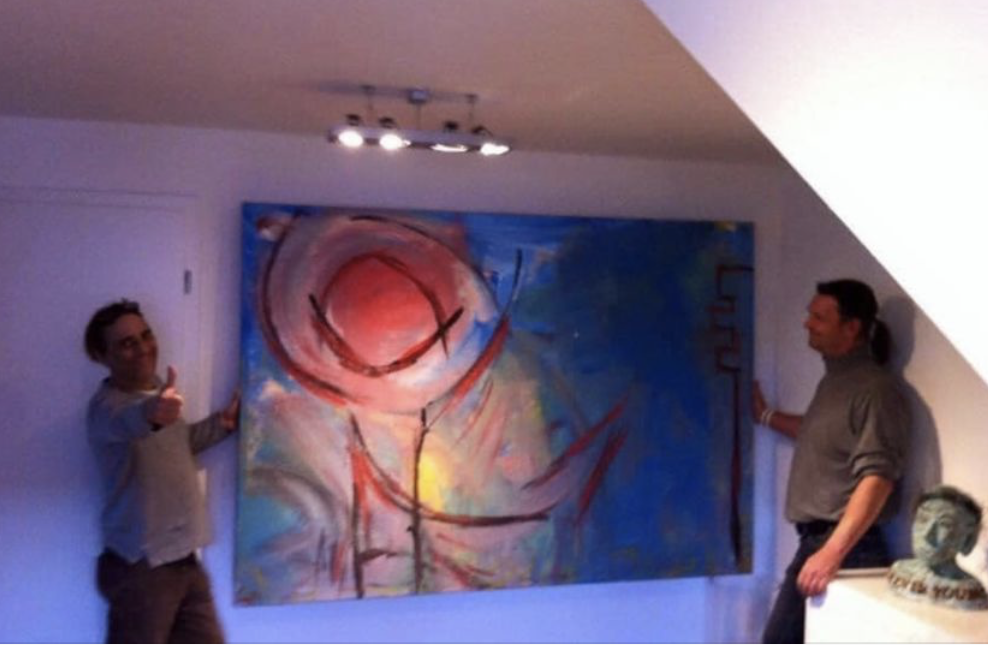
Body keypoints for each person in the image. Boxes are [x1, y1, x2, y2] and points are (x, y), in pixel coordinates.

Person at [755, 279, 910, 643]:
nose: (807, 323)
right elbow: (817, 431)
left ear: (852, 327)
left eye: (819, 317)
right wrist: (765, 416)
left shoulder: (875, 389)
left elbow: (878, 477)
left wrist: (831, 553)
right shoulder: (836, 381)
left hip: (847, 550)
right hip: (822, 544)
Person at [84, 299, 239, 643]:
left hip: (183, 557)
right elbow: (134, 421)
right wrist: (153, 412)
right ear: (103, 356)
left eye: (145, 335)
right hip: (142, 568)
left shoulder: (157, 390)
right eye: (127, 343)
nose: (143, 348)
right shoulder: (107, 410)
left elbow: (176, 445)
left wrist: (223, 424)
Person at [888, 485, 988, 609]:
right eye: (923, 519)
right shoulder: (901, 570)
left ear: (968, 537)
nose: (927, 534)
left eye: (944, 524)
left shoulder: (968, 589)